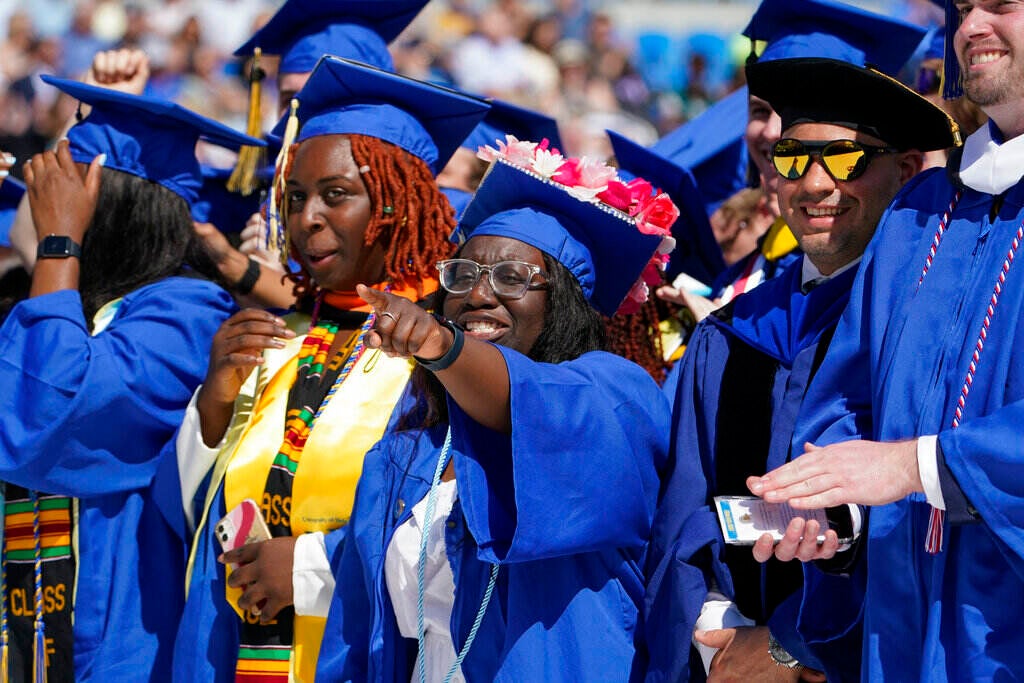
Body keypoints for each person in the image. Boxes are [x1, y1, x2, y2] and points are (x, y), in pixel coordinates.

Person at [162, 56, 488, 682]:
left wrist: (313, 567)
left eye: (336, 195)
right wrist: (216, 405)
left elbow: (463, 534)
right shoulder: (282, 344)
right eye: (295, 198)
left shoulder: (444, 355)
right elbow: (200, 518)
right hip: (253, 656)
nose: (306, 217)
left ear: (397, 205)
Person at [643, 55, 959, 683]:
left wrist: (794, 648)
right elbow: (687, 515)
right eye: (791, 157)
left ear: (905, 171)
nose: (814, 184)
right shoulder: (732, 334)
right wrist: (720, 635)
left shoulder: (939, 327)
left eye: (846, 159)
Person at [315, 139, 675, 681]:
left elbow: (541, 406)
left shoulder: (616, 397)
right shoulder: (417, 443)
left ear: (563, 304)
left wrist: (442, 347)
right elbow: (361, 622)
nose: (479, 296)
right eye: (462, 276)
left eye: (512, 278)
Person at [746, 1, 1024, 678]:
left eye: (1002, 4)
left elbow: (899, 460)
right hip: (899, 644)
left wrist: (918, 465)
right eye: (962, 8)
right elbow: (849, 398)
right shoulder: (919, 212)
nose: (971, 27)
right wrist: (832, 513)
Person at [0, 75, 260, 681]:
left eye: (69, 196)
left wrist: (60, 242)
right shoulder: (65, 303)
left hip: (115, 628)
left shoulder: (189, 314)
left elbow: (43, 415)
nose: (45, 210)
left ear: (119, 209)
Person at [711, 0, 929, 307]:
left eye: (841, 154)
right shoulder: (751, 257)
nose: (776, 133)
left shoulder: (899, 288)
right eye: (760, 110)